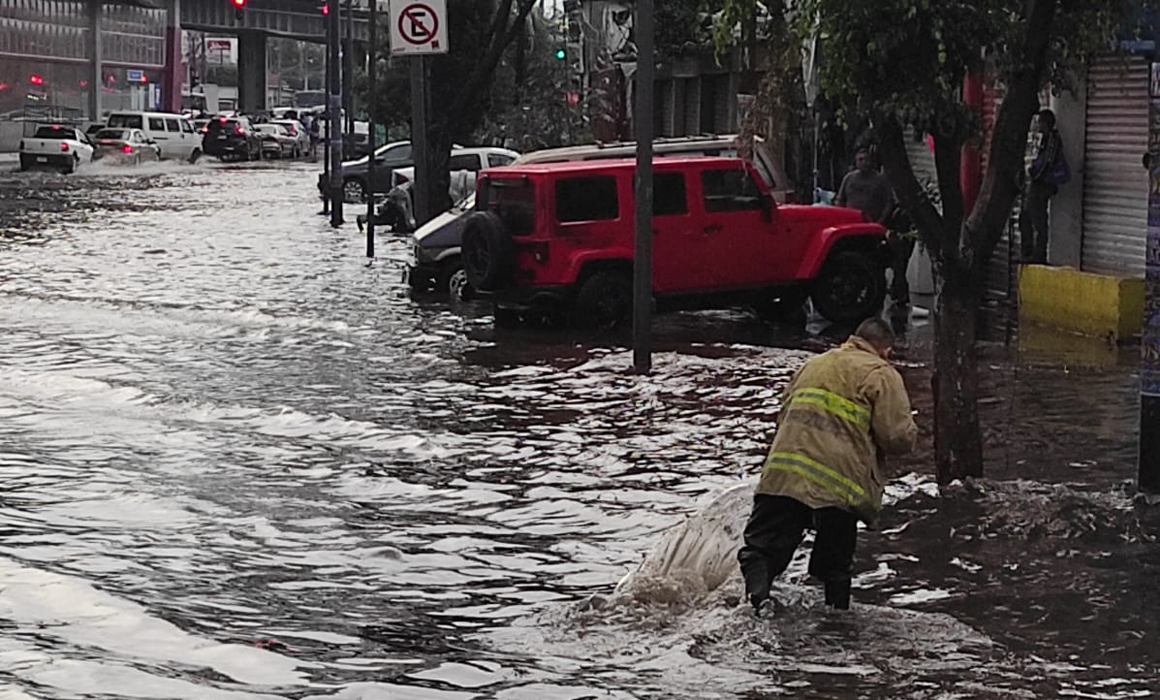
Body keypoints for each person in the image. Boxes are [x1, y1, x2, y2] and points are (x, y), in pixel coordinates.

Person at [738, 317, 918, 613]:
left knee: (760, 551)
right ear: (885, 350)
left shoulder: (813, 364)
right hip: (839, 486)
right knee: (835, 568)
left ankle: (759, 600)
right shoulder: (882, 374)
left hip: (784, 475)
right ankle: (835, 627)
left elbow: (783, 415)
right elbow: (896, 438)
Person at [1019, 108, 1069, 264]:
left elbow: (1047, 163)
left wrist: (1034, 173)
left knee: (1038, 219)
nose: (1038, 125)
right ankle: (1028, 252)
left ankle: (1038, 255)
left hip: (1042, 185)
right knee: (1025, 216)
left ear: (1046, 123)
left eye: (1040, 122)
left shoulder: (1052, 141)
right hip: (1038, 183)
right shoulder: (1043, 140)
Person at [834, 148, 894, 225]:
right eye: (860, 159)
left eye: (866, 159)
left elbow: (889, 203)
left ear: (871, 162)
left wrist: (880, 221)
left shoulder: (880, 179)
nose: (864, 162)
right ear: (856, 162)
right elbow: (840, 201)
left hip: (872, 223)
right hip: (851, 222)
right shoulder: (848, 178)